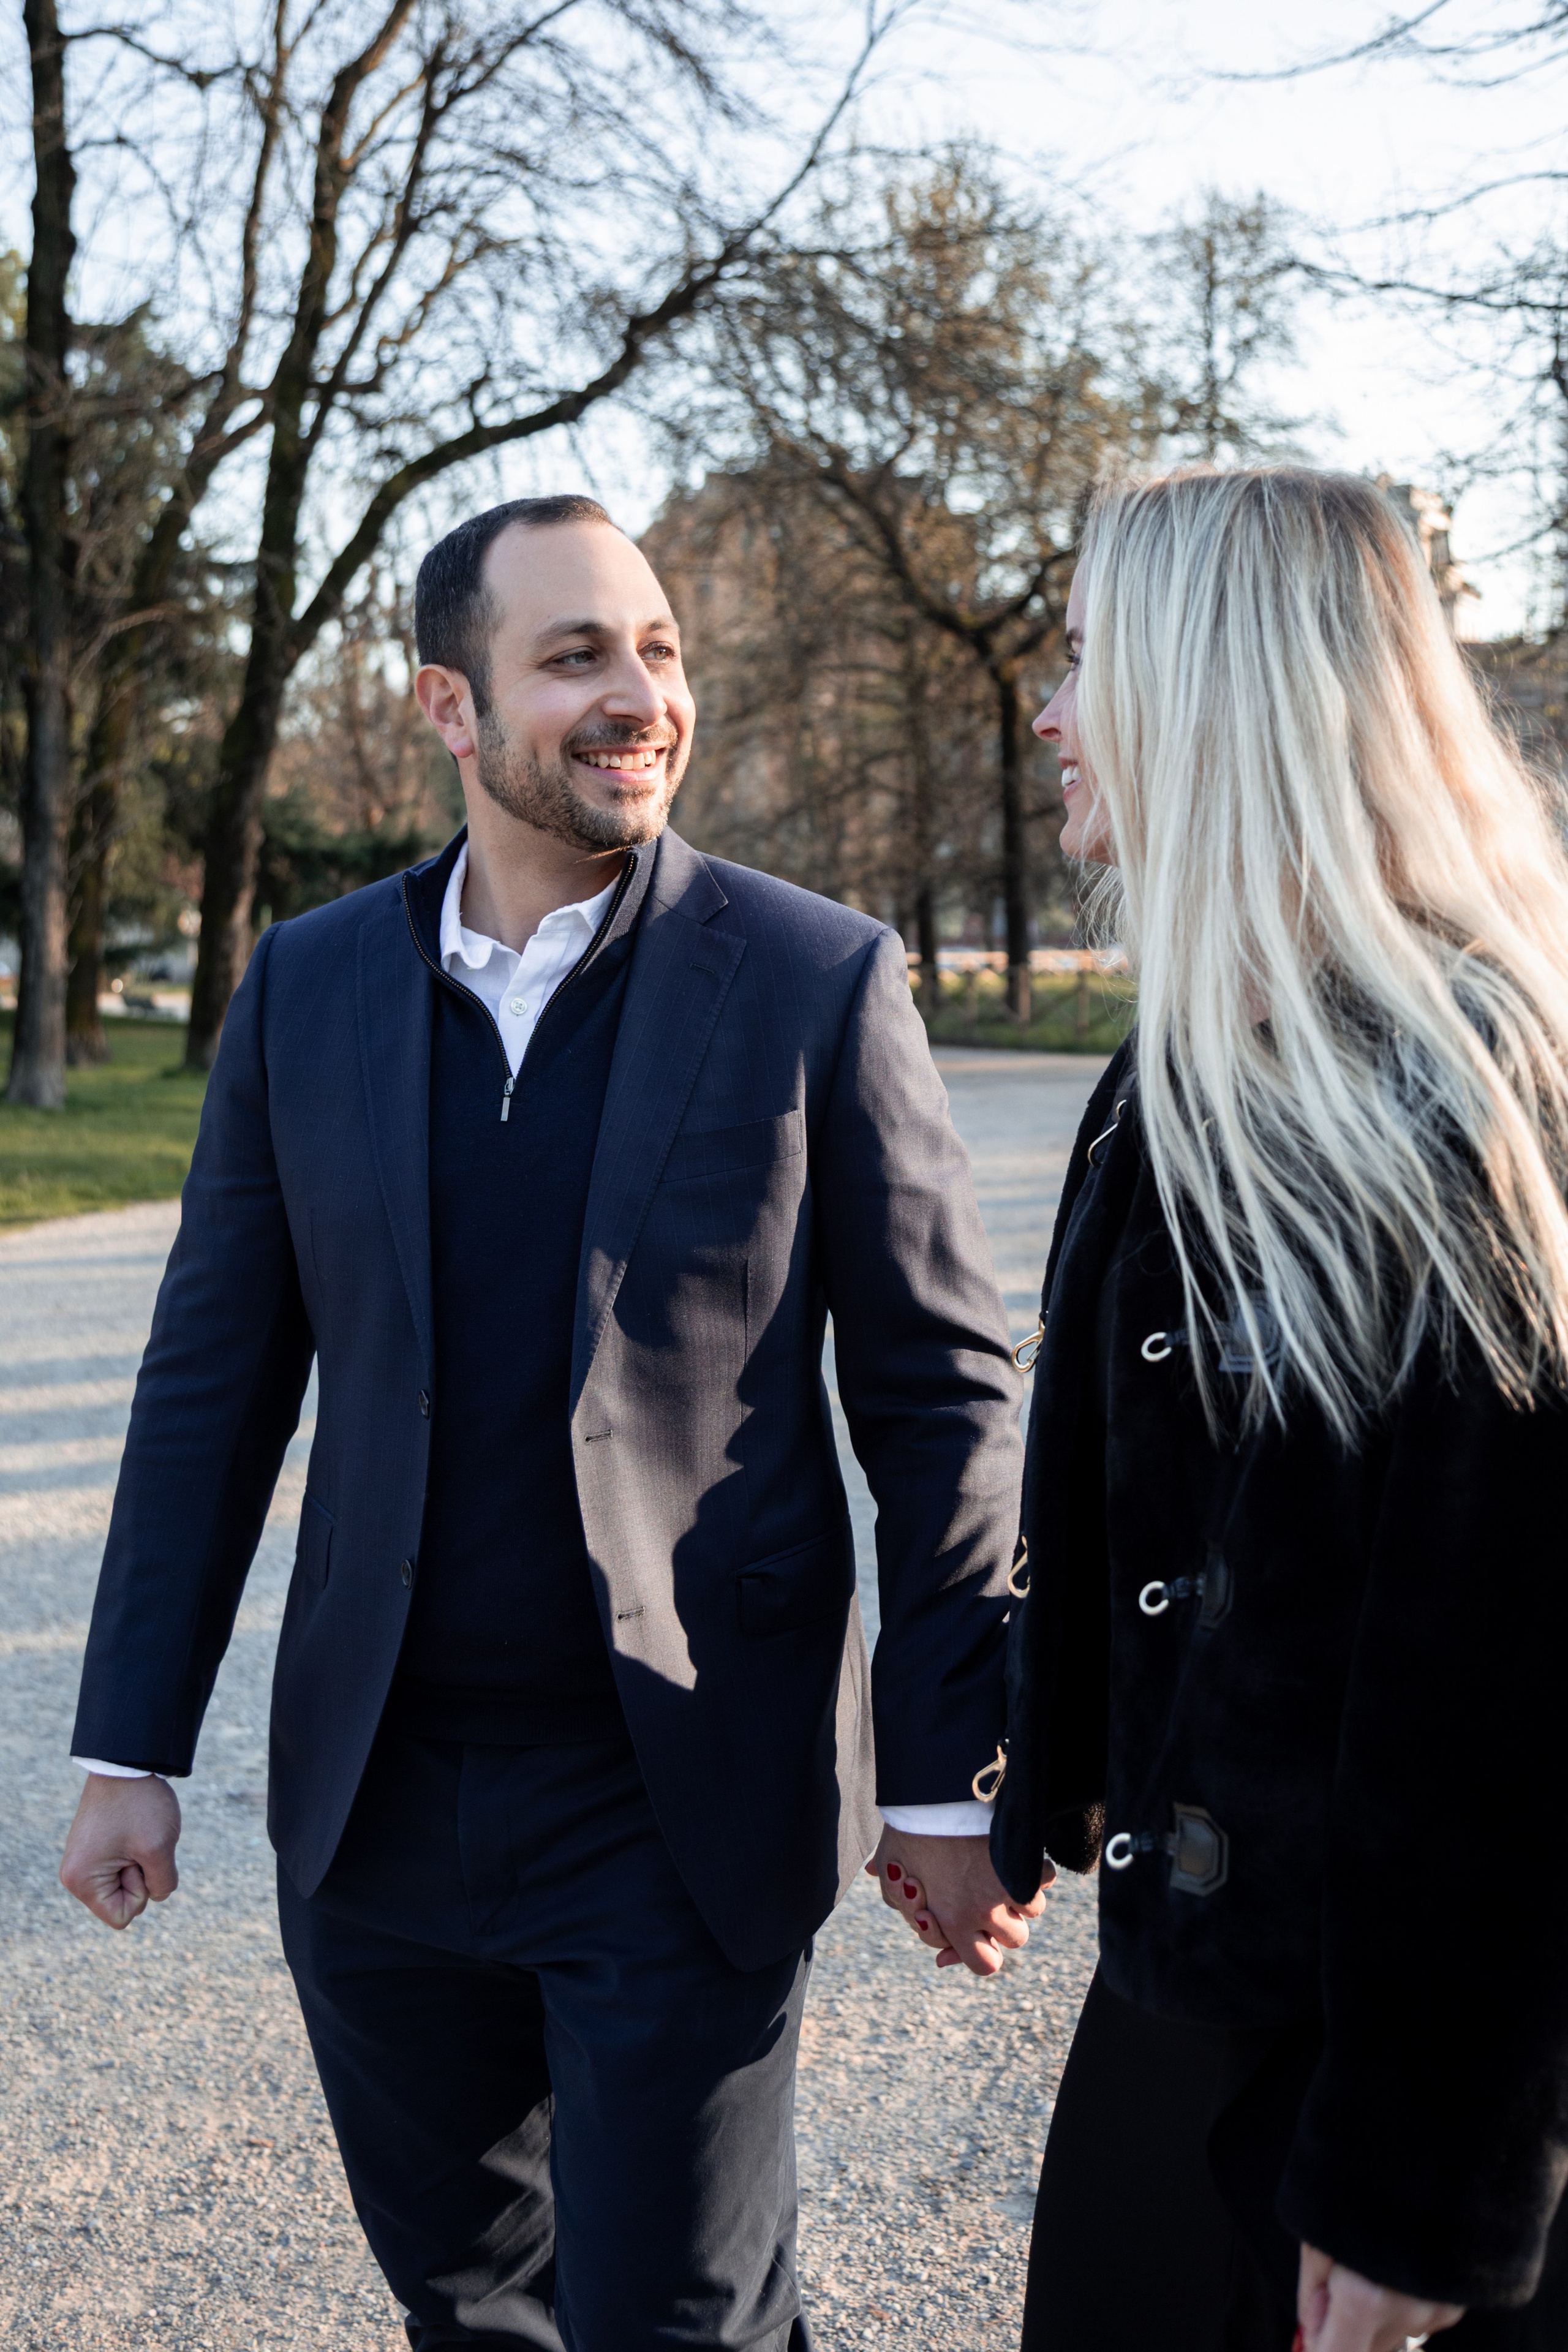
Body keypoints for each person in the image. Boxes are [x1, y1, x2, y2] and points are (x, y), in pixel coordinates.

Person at [59, 494, 1048, 2351]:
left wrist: (943, 1778)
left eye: (660, 650)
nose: (641, 696)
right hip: (375, 1815)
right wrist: (132, 1740)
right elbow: (212, 1386)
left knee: (682, 2321)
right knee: (466, 2309)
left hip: (679, 1795)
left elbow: (937, 1395)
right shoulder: (311, 984)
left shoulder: (818, 978)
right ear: (449, 706)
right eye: (578, 655)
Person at [880, 468, 1568, 2350]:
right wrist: (1016, 1785)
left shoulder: (1467, 1099)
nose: (1048, 710)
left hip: (1386, 2063)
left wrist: (1427, 2180)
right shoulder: (1177, 1071)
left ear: (1216, 690)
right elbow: (1134, 1516)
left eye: (1088, 657)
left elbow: (1509, 1697)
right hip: (1185, 2004)